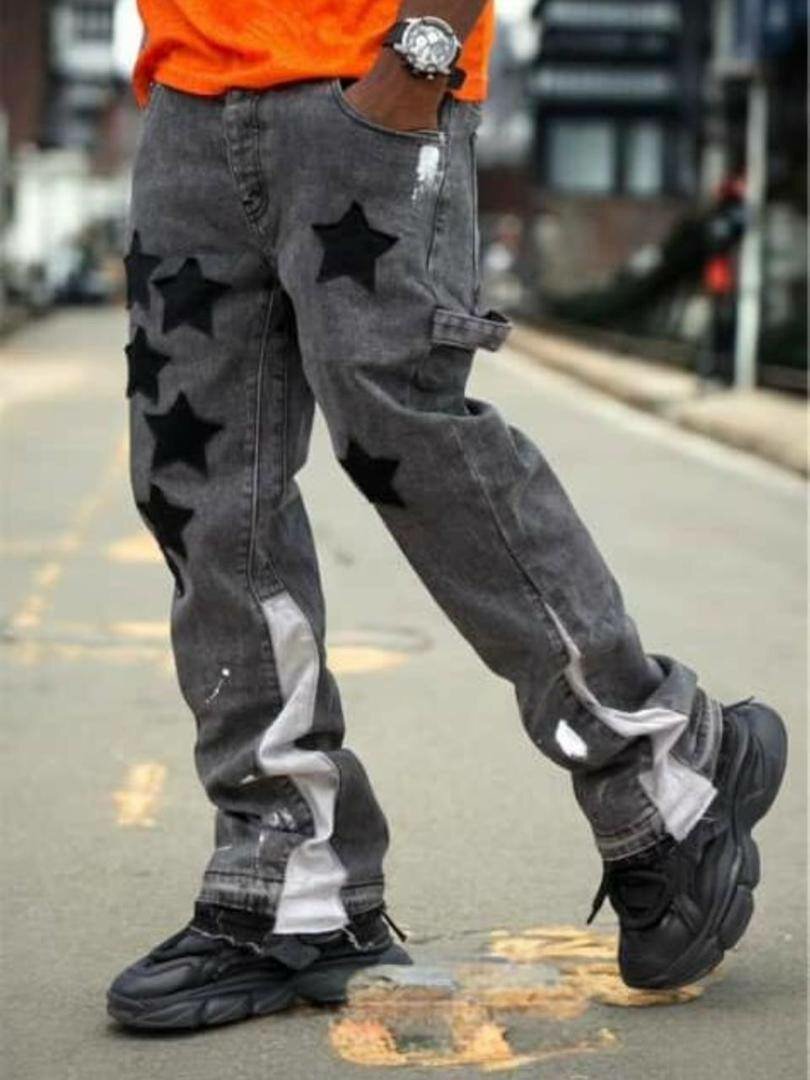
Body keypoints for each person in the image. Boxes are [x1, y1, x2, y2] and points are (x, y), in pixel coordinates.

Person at [107, 0, 787, 1032]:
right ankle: (293, 882)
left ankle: (655, 761)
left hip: (365, 83)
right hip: (189, 97)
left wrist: (420, 55)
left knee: (407, 435)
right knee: (194, 485)